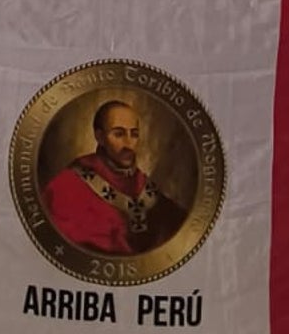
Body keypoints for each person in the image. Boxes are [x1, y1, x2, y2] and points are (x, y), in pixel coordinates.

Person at [42, 101, 187, 256]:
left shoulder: (142, 185)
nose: (128, 144)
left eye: (134, 134)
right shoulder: (68, 185)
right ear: (100, 137)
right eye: (119, 134)